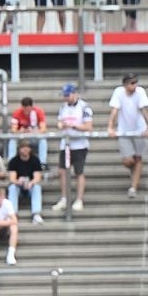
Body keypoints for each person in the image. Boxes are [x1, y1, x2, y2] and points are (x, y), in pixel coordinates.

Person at [52, 84, 92, 213]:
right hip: (66, 143)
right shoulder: (63, 107)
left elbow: (88, 126)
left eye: (67, 95)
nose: (65, 98)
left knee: (79, 172)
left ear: (74, 94)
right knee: (62, 171)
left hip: (79, 144)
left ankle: (79, 199)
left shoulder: (84, 107)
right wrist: (61, 125)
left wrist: (73, 126)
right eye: (64, 95)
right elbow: (59, 122)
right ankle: (64, 198)